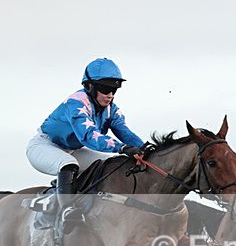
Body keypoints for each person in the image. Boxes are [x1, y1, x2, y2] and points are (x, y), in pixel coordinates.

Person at [26, 57, 146, 227]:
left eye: (114, 90)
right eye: (105, 89)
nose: (110, 95)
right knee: (68, 164)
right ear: (89, 86)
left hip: (73, 150)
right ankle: (66, 209)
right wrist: (123, 147)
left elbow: (124, 131)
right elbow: (89, 137)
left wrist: (144, 148)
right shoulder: (76, 103)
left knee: (110, 164)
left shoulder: (111, 109)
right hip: (44, 146)